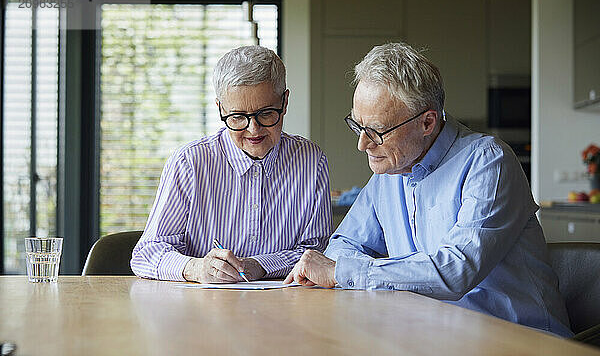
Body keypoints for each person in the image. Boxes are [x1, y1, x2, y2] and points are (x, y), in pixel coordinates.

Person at [284, 42, 572, 337]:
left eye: (377, 131)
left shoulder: (488, 161)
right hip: (432, 337)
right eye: (358, 126)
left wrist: (347, 273)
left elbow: (455, 271)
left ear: (427, 122)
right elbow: (342, 247)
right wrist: (359, 270)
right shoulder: (389, 172)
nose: (363, 144)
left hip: (520, 341)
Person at [131, 45, 331, 283]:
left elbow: (317, 253)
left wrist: (260, 265)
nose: (253, 130)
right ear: (220, 109)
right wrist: (196, 268)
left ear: (285, 102)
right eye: (237, 117)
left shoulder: (311, 161)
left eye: (266, 113)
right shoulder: (190, 163)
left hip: (284, 309)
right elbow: (146, 254)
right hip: (200, 311)